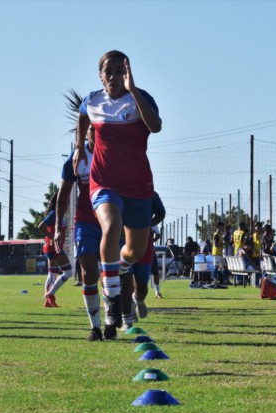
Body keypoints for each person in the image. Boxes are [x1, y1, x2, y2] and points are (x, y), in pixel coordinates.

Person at [72, 50, 162, 338]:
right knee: (110, 226)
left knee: (134, 251)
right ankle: (111, 299)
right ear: (100, 75)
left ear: (128, 72)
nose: (113, 76)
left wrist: (133, 91)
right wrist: (78, 147)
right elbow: (83, 116)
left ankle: (118, 271)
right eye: (107, 71)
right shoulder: (93, 100)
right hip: (104, 182)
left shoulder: (141, 99)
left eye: (119, 71)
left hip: (138, 186)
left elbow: (156, 127)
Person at [56, 123, 104, 341]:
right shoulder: (76, 158)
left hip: (112, 221)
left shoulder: (113, 153)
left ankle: (119, 312)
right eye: (92, 128)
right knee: (89, 273)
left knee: (120, 273)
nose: (97, 132)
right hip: (85, 221)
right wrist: (58, 227)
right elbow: (62, 196)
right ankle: (95, 327)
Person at [126, 192, 166, 330]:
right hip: (123, 240)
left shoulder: (150, 194)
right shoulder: (119, 189)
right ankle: (127, 316)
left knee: (142, 284)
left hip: (145, 242)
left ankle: (138, 299)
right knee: (125, 278)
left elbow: (161, 213)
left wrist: (148, 223)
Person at [39, 191, 73, 308]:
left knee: (52, 274)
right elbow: (41, 226)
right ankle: (50, 294)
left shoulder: (61, 213)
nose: (68, 202)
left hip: (50, 247)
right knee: (68, 272)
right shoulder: (55, 213)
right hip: (53, 247)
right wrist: (51, 237)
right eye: (66, 199)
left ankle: (48, 302)